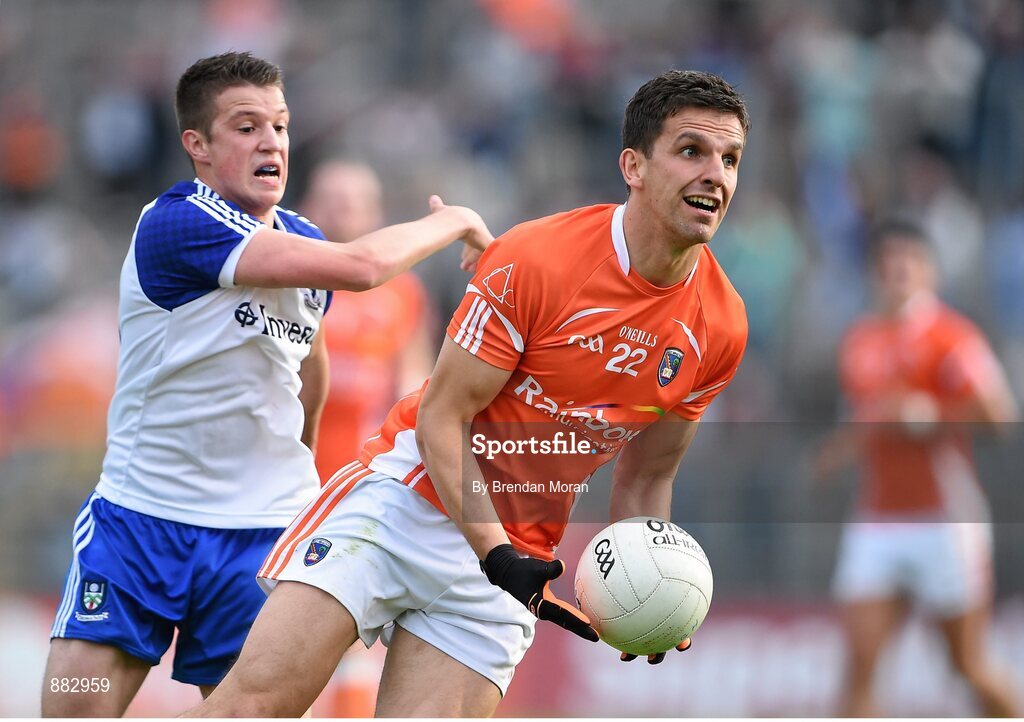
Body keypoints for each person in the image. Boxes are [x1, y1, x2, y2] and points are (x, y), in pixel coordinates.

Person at [187, 69, 750, 717]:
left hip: (514, 558)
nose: (716, 174)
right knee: (251, 708)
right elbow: (442, 416)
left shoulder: (722, 326)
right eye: (691, 152)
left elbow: (647, 478)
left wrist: (646, 587)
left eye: (730, 160)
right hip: (405, 502)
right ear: (634, 166)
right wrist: (494, 550)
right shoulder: (538, 258)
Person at [41, 51, 491, 718]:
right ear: (197, 145)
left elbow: (309, 364)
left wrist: (301, 467)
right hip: (141, 526)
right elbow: (364, 265)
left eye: (278, 125)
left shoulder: (304, 243)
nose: (271, 142)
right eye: (246, 127)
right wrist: (454, 220)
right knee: (74, 708)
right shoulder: (177, 223)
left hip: (260, 537)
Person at [819, 219, 1020, 716]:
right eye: (887, 261)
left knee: (966, 665)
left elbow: (1000, 417)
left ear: (930, 271)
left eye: (908, 259)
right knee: (859, 667)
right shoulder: (859, 341)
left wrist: (931, 414)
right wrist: (837, 452)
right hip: (879, 520)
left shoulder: (950, 337)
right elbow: (868, 420)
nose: (897, 270)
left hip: (944, 520)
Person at [301, 161, 436, 482]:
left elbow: (414, 383)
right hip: (295, 470)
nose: (343, 211)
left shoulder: (403, 291)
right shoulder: (287, 284)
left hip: (368, 473)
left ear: (377, 213)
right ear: (307, 207)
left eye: (354, 203)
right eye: (331, 201)